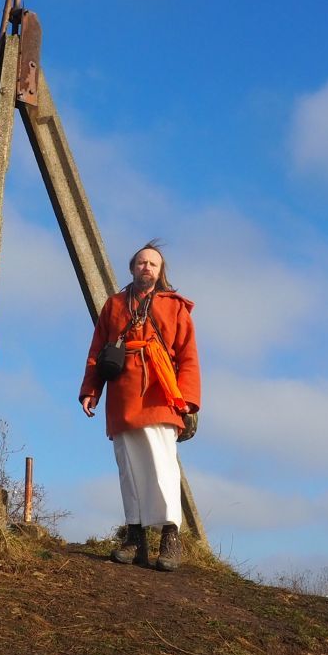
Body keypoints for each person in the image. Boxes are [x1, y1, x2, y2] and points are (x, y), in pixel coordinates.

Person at [79, 241, 200, 571]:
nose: (147, 267)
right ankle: (135, 537)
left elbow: (188, 355)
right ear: (132, 268)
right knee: (129, 468)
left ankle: (170, 538)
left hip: (159, 391)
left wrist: (188, 400)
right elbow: (98, 350)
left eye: (153, 264)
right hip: (121, 394)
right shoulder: (114, 305)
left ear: (160, 273)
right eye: (142, 263)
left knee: (162, 465)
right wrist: (92, 389)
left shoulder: (174, 307)